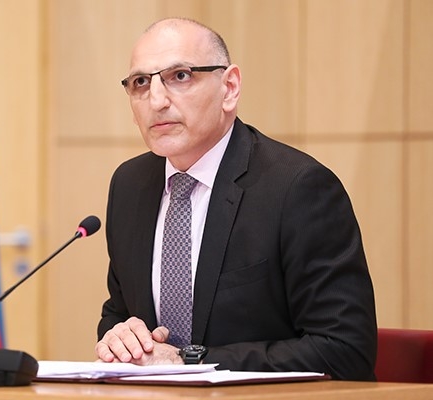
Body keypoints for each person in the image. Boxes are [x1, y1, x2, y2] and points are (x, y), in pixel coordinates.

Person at [94, 17, 377, 381]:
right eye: (141, 83)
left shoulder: (298, 188)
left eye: (180, 76)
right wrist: (120, 338)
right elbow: (118, 312)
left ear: (229, 88)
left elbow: (345, 351)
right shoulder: (129, 185)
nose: (157, 100)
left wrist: (189, 362)